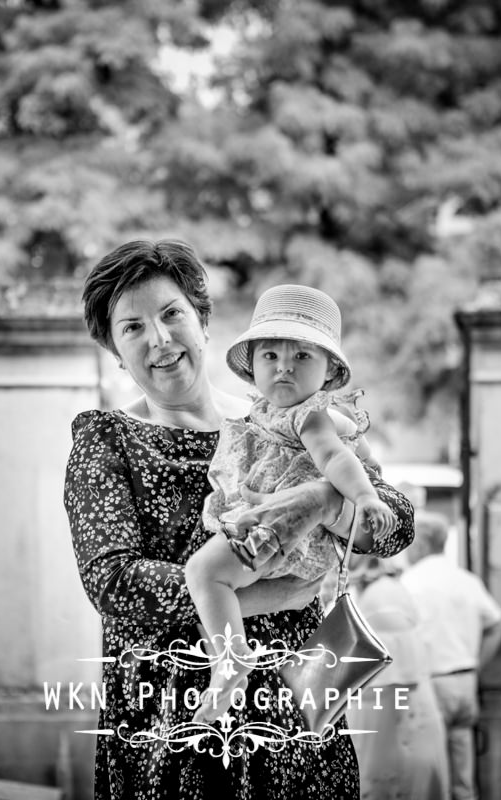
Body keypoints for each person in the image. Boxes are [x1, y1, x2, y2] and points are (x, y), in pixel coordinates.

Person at [64, 238, 417, 800]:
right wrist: (272, 596)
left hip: (297, 710)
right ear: (114, 349)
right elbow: (114, 585)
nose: (159, 339)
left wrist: (327, 502)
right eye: (131, 327)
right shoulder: (107, 440)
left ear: (204, 322)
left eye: (171, 313)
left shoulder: (280, 418)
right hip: (172, 717)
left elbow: (396, 525)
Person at [184, 283, 396, 723]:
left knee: (202, 573)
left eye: (301, 357)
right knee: (219, 603)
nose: (284, 368)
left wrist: (365, 496)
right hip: (284, 544)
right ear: (253, 368)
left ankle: (231, 660)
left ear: (328, 370)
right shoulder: (266, 414)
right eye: (271, 356)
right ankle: (231, 656)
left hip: (278, 535)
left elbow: (337, 456)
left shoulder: (310, 414)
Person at [399, 511, 501, 800]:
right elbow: (497, 624)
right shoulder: (466, 580)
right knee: (463, 774)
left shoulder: (410, 583)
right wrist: (477, 664)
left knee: (434, 776)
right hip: (466, 683)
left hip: (432, 686)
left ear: (419, 545)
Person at [347, 553, 450, 800]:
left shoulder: (383, 597)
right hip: (387, 725)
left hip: (394, 730)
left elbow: (393, 682)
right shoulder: (371, 591)